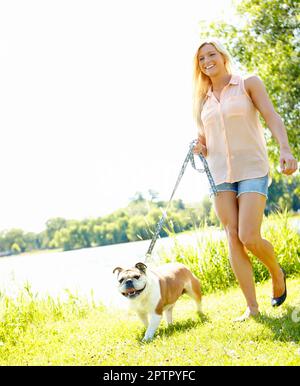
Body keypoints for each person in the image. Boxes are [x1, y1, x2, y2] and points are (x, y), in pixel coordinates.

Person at [192, 38, 298, 321]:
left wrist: (285, 149)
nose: (206, 61)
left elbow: (272, 116)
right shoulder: (202, 100)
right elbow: (205, 137)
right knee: (232, 236)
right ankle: (252, 308)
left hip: (252, 167)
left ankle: (277, 271)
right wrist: (199, 146)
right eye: (201, 59)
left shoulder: (248, 83)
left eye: (211, 54)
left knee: (248, 235)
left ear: (222, 56)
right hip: (219, 174)